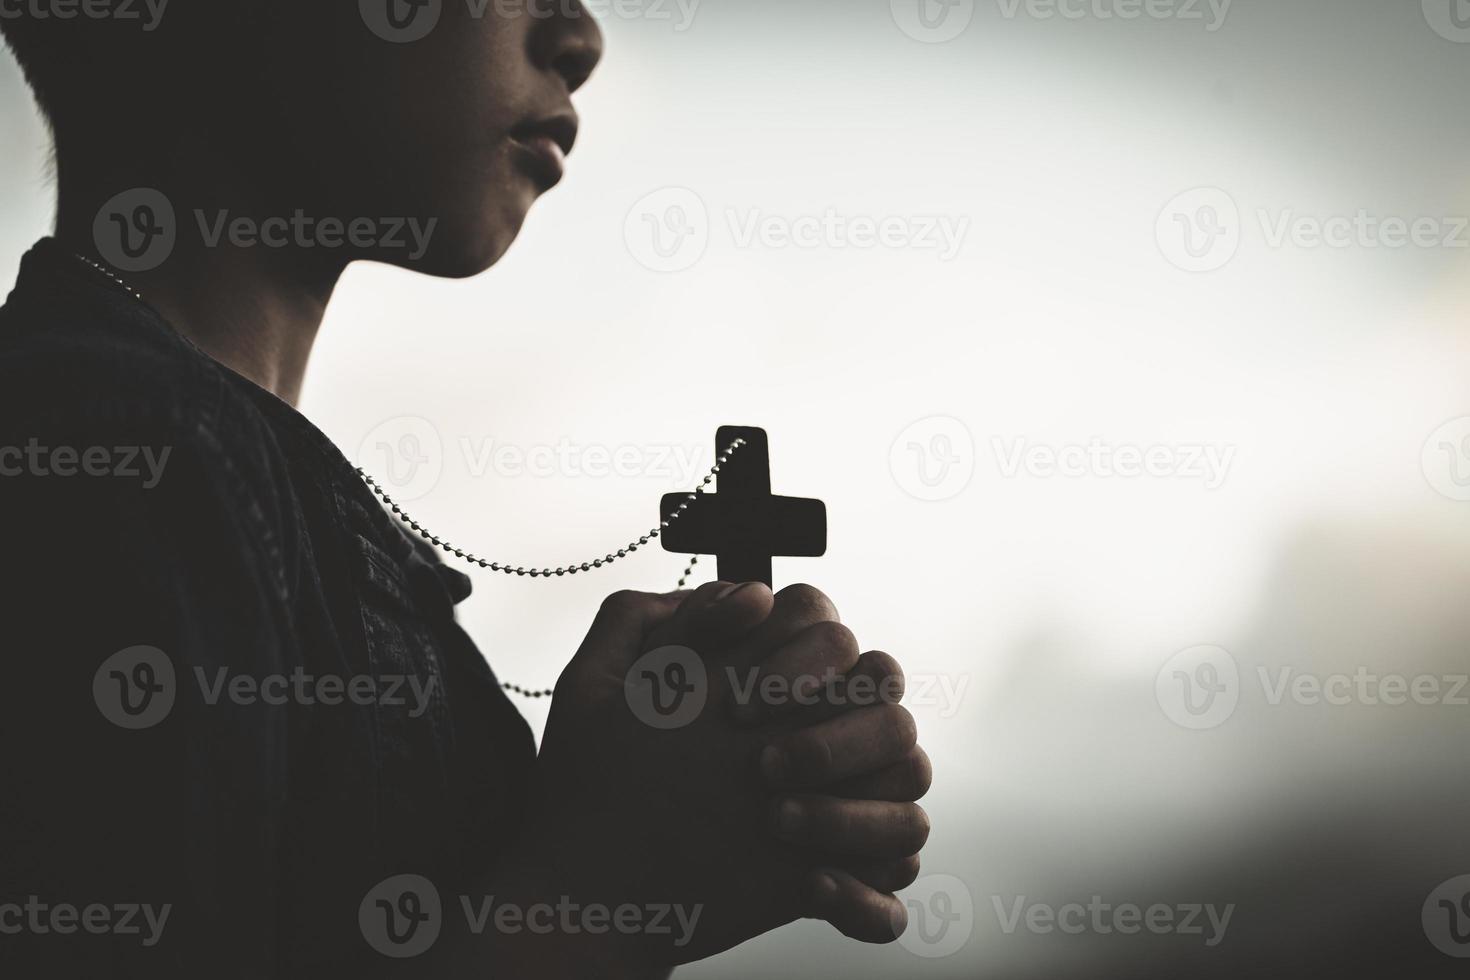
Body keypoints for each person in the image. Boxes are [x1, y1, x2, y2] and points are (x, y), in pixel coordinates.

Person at [0, 2, 933, 976]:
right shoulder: (105, 446)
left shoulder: (201, 458)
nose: (581, 38)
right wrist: (600, 891)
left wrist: (667, 814)